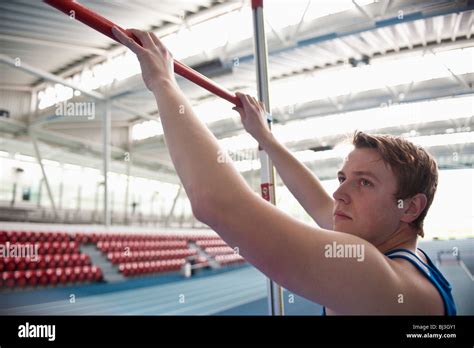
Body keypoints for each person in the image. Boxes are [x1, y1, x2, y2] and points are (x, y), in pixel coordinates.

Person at [112, 27, 456, 315]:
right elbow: (318, 200)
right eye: (342, 178)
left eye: (364, 183)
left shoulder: (383, 279)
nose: (339, 194)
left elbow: (216, 203)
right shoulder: (385, 247)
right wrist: (264, 137)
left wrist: (163, 83)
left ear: (410, 207)